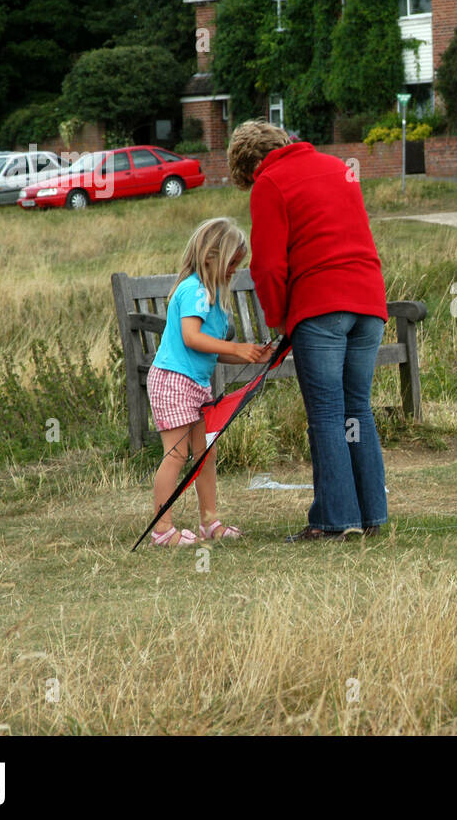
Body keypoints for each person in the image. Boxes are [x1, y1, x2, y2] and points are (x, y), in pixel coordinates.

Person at [227, 120, 390, 542]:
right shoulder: (339, 167)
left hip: (322, 306)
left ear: (252, 167)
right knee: (358, 409)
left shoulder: (270, 182)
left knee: (326, 414)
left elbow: (266, 265)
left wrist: (278, 318)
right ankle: (372, 516)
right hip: (369, 301)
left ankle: (333, 522)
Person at [146, 218, 270, 545]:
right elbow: (191, 338)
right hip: (173, 382)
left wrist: (252, 356)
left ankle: (210, 523)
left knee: (206, 454)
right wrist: (235, 347)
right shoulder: (195, 290)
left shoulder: (213, 297)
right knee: (176, 454)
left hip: (196, 384)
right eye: (231, 263)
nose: (234, 271)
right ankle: (162, 530)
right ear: (211, 256)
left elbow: (211, 352)